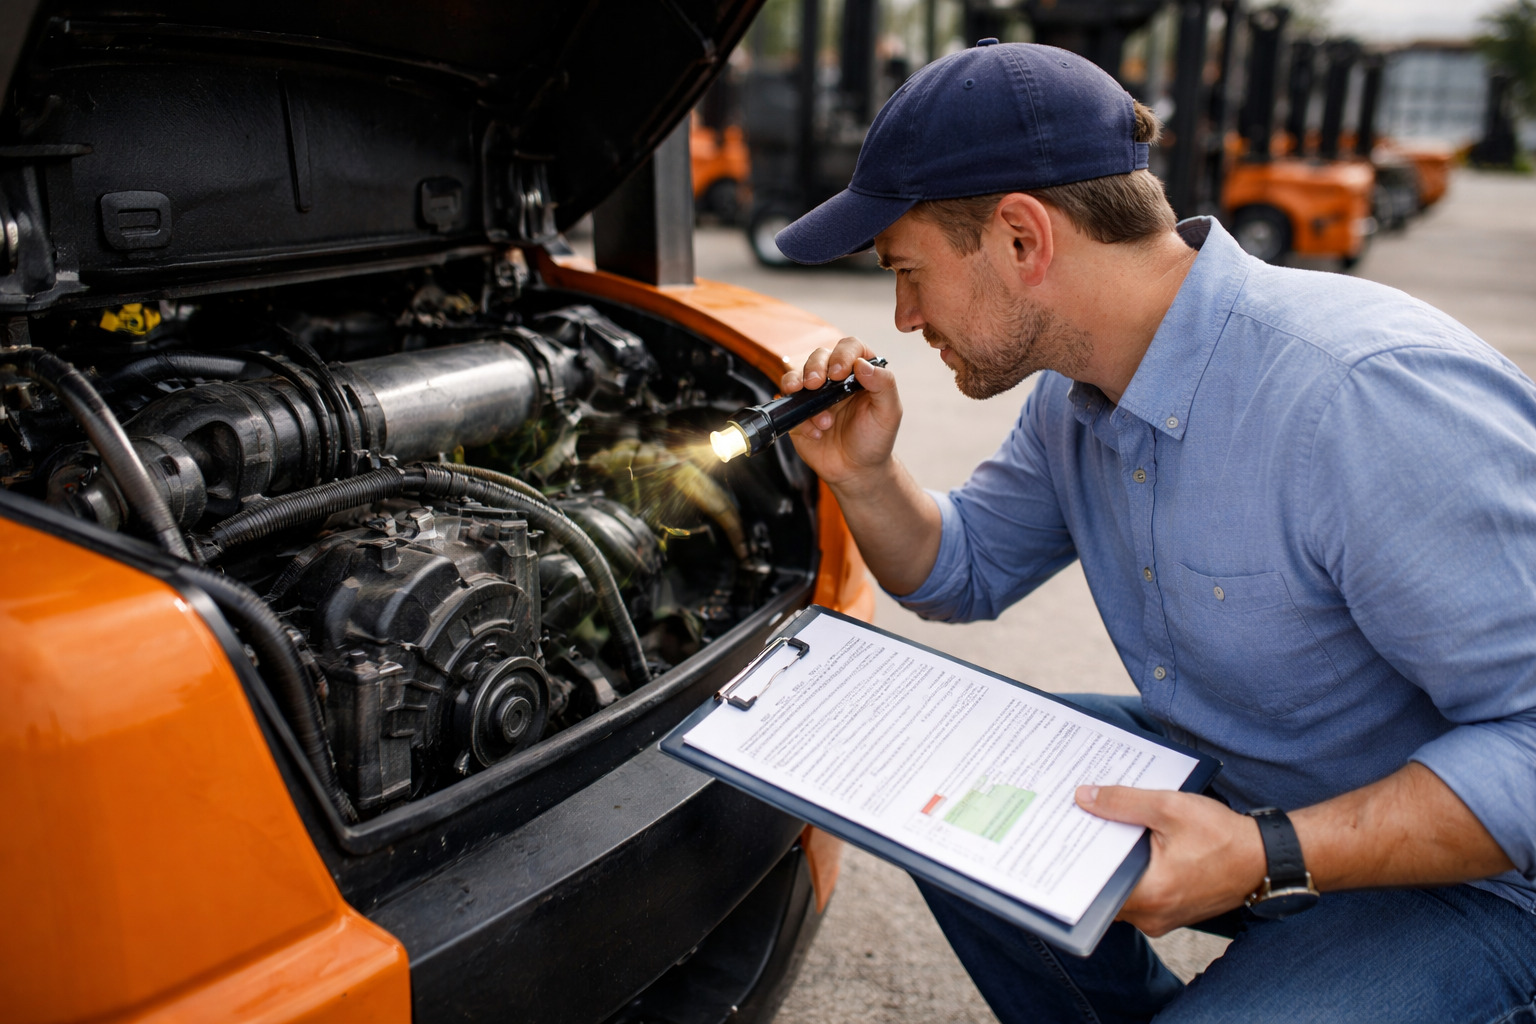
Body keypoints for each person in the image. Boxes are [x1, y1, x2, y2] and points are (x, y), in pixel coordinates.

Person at [772, 39, 1536, 1023]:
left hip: (1479, 881)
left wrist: (1270, 856)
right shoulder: (1075, 399)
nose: (904, 314)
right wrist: (866, 477)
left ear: (1021, 238)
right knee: (934, 794)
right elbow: (959, 571)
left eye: (908, 270)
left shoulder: (1361, 395)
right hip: (1244, 784)